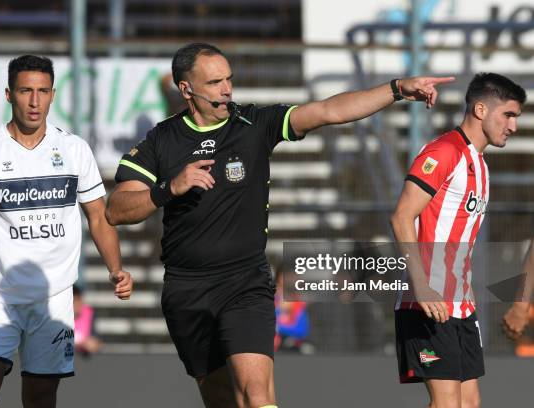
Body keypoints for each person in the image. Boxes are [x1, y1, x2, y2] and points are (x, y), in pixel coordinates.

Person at [105, 42, 452, 408]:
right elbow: (117, 209)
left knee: (257, 394)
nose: (227, 89)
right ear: (186, 89)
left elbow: (329, 111)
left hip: (245, 283)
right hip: (186, 289)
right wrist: (169, 188)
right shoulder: (161, 141)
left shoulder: (253, 124)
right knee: (222, 399)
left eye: (229, 79)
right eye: (214, 82)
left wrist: (396, 89)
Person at [0, 55, 133, 408]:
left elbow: (98, 216)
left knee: (41, 398)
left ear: (53, 95)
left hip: (54, 295)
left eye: (42, 91)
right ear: (9, 94)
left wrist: (114, 268)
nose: (34, 101)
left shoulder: (74, 150)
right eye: (26, 90)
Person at [391, 73, 526, 407]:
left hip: (460, 306)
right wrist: (421, 286)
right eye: (508, 115)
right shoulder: (444, 151)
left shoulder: (479, 165)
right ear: (480, 109)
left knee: (469, 404)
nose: (513, 126)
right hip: (428, 303)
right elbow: (402, 216)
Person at [73, 285, 102, 355]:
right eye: (74, 301)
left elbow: (96, 342)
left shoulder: (89, 313)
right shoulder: (58, 319)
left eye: (78, 300)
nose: (77, 304)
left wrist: (94, 344)